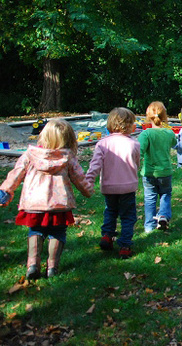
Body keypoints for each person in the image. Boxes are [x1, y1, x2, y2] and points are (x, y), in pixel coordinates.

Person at [0, 119, 94, 279]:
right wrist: (88, 191)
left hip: (34, 203)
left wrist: (5, 191)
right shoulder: (68, 157)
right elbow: (79, 178)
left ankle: (32, 265)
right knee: (57, 232)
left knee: (36, 230)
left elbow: (16, 174)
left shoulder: (30, 154)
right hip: (59, 204)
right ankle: (52, 267)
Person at [86, 108, 140, 259]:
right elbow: (136, 163)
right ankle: (125, 245)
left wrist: (89, 181)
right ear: (129, 125)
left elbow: (95, 165)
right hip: (128, 186)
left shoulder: (103, 144)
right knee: (128, 216)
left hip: (109, 186)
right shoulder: (133, 144)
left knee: (110, 211)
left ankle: (107, 236)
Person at [139, 101, 177, 232]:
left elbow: (139, 151)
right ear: (165, 116)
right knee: (165, 194)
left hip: (149, 172)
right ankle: (163, 215)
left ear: (148, 116)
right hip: (165, 171)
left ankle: (149, 226)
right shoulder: (169, 133)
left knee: (150, 198)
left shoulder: (146, 134)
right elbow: (175, 144)